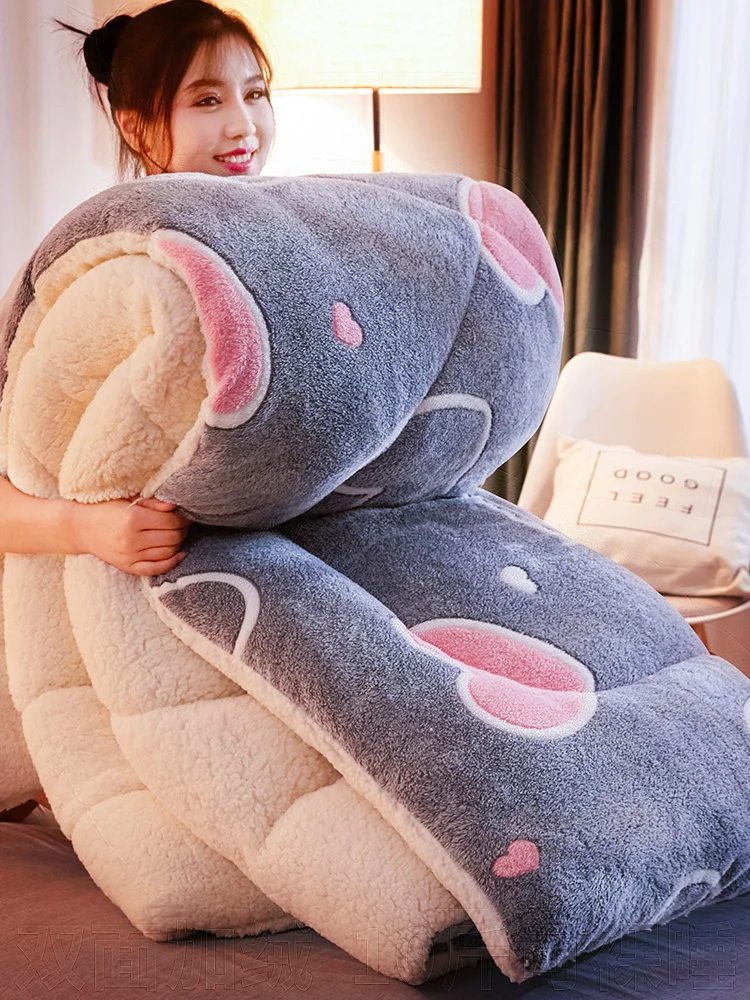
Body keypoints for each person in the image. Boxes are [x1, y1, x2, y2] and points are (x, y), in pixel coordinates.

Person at [0, 0, 275, 577]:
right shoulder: (87, 270)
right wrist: (83, 527)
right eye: (207, 100)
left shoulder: (290, 247)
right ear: (135, 126)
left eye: (254, 93)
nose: (243, 124)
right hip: (125, 584)